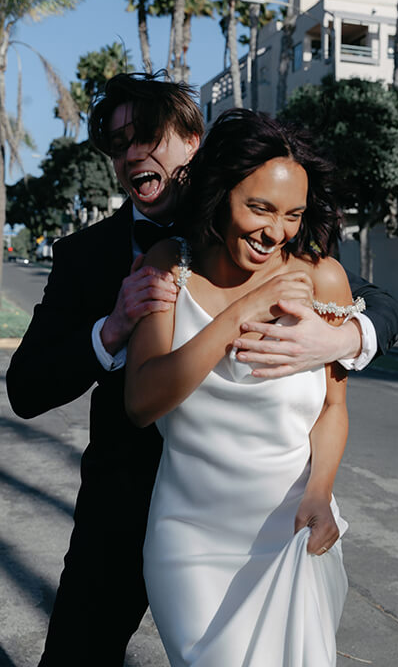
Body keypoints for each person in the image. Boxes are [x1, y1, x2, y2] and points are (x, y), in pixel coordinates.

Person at [6, 72, 398, 667]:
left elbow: (382, 306)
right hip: (131, 512)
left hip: (268, 518)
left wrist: (341, 335)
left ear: (194, 141)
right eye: (118, 145)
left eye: (147, 135)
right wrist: (109, 329)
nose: (132, 153)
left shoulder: (265, 206)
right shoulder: (89, 257)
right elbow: (26, 389)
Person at [125, 108, 357, 665]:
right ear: (220, 192)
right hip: (190, 541)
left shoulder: (321, 278)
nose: (275, 231)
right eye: (259, 207)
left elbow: (333, 406)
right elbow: (141, 402)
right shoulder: (169, 268)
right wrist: (240, 313)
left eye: (292, 214)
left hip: (291, 526)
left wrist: (320, 492)